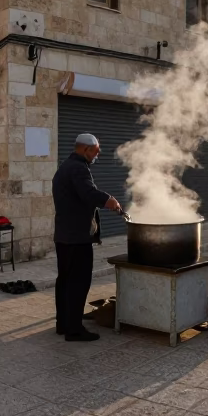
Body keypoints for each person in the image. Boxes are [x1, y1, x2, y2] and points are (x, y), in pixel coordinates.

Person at [52, 133, 122, 341]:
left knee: (64, 281)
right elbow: (88, 193)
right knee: (78, 282)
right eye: (95, 152)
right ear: (85, 149)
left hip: (64, 236)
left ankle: (63, 324)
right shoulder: (78, 168)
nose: (97, 156)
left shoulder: (65, 167)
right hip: (77, 237)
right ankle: (74, 329)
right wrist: (108, 200)